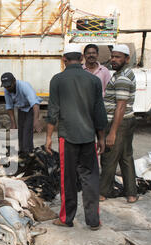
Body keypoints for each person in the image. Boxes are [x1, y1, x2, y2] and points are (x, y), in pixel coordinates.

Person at [45, 44, 107, 231]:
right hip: (88, 137)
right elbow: (100, 113)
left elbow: (53, 111)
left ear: (64, 60)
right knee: (90, 178)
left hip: (67, 137)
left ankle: (66, 218)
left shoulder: (57, 80)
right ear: (81, 59)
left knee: (68, 178)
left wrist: (48, 137)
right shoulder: (93, 80)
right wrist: (101, 138)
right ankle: (93, 220)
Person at [99, 44, 138, 204]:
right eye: (112, 56)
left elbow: (120, 106)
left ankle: (102, 192)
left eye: (118, 57)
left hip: (119, 123)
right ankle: (131, 193)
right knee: (125, 156)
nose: (113, 59)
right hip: (127, 121)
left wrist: (113, 132)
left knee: (109, 156)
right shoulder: (124, 73)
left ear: (127, 59)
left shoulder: (122, 77)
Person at [1, 72, 42, 154]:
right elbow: (9, 107)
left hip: (31, 109)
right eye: (5, 86)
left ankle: (28, 154)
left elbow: (35, 104)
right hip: (21, 109)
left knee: (27, 134)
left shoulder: (24, 86)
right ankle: (23, 154)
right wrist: (13, 123)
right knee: (20, 134)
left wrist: (36, 121)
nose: (7, 88)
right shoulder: (7, 89)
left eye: (9, 86)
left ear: (14, 81)